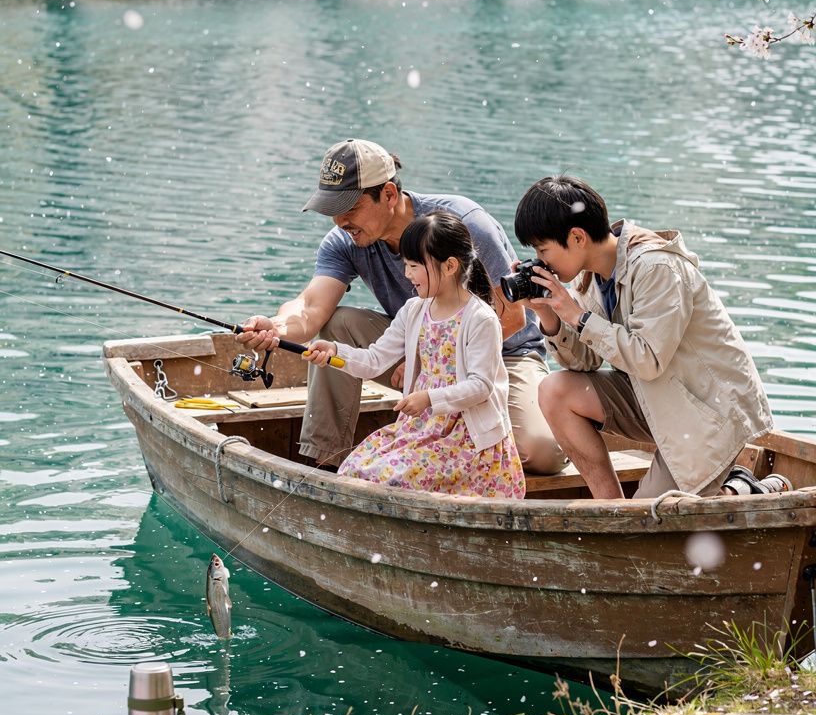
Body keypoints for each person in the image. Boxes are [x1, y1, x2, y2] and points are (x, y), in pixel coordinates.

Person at [240, 138, 565, 474]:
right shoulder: (346, 240)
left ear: (389, 195)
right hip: (416, 346)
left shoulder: (463, 222)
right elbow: (310, 307)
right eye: (332, 210)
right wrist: (276, 328)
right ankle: (325, 464)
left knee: (543, 455)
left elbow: (512, 316)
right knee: (337, 324)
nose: (340, 222)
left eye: (350, 208)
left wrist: (432, 363)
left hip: (502, 354)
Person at [513, 174, 778, 500]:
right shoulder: (591, 276)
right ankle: (610, 509)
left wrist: (575, 315)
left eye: (543, 250)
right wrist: (548, 313)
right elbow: (584, 362)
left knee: (651, 516)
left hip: (703, 410)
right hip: (656, 398)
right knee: (555, 390)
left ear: (577, 237)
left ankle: (743, 488)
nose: (541, 262)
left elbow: (647, 360)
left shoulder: (657, 268)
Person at [306, 211, 525, 499]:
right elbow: (374, 360)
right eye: (406, 265)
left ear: (449, 266)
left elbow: (481, 386)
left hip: (467, 439)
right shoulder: (414, 310)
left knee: (391, 480)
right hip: (421, 428)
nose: (407, 275)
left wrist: (429, 399)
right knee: (354, 468)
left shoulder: (481, 318)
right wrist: (336, 353)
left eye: (414, 266)